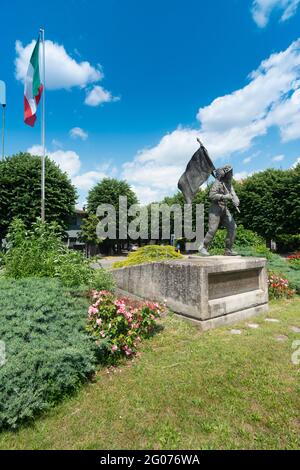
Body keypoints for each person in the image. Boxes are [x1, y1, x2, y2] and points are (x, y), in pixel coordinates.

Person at [199, 165, 240, 256]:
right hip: (215, 209)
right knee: (212, 230)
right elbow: (211, 195)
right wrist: (224, 196)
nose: (232, 175)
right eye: (230, 173)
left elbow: (233, 194)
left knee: (233, 227)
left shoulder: (228, 184)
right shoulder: (217, 183)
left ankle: (228, 250)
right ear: (226, 174)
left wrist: (236, 200)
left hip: (224, 208)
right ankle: (203, 247)